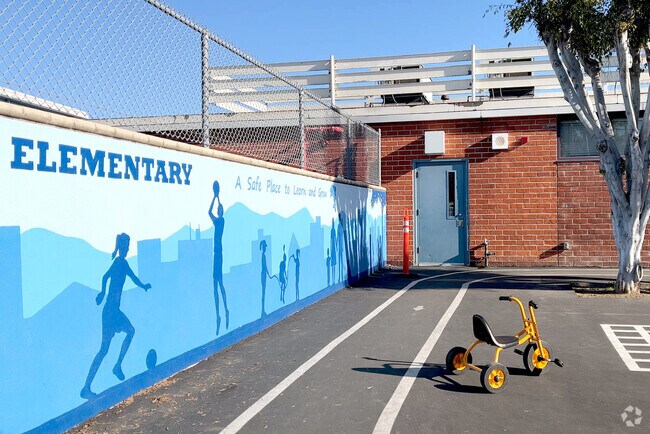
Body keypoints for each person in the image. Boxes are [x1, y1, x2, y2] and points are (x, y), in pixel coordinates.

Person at [80, 233, 151, 399]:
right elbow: (128, 278)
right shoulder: (121, 263)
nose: (128, 249)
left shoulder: (119, 263)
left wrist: (103, 293)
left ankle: (113, 369)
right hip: (111, 312)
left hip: (112, 311)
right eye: (127, 246)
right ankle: (89, 385)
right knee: (106, 348)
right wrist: (103, 293)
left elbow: (109, 277)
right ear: (122, 247)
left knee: (125, 335)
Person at [209, 180, 229, 335]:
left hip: (218, 255)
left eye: (219, 209)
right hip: (216, 254)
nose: (217, 210)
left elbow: (210, 213)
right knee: (215, 285)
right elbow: (210, 212)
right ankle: (218, 316)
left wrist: (216, 198)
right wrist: (216, 197)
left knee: (219, 284)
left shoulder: (221, 221)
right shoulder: (219, 220)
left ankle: (225, 310)